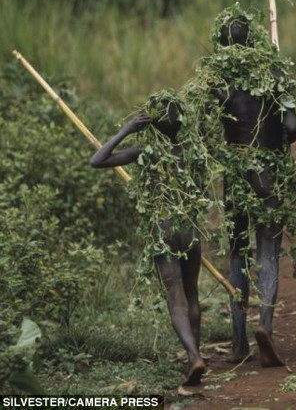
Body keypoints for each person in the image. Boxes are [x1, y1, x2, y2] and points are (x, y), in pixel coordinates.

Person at [199, 10, 296, 367]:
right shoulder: (274, 74)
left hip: (236, 171)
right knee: (269, 250)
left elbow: (196, 123)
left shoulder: (215, 80)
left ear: (223, 44)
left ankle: (239, 342)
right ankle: (266, 327)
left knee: (238, 252)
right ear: (251, 39)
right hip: (269, 169)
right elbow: (292, 128)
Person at [91, 92, 208, 386]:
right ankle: (199, 353)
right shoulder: (193, 150)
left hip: (164, 229)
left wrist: (127, 129)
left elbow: (97, 160)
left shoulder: (144, 152)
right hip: (189, 226)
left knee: (175, 293)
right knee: (192, 292)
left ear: (151, 125)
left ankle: (193, 355)